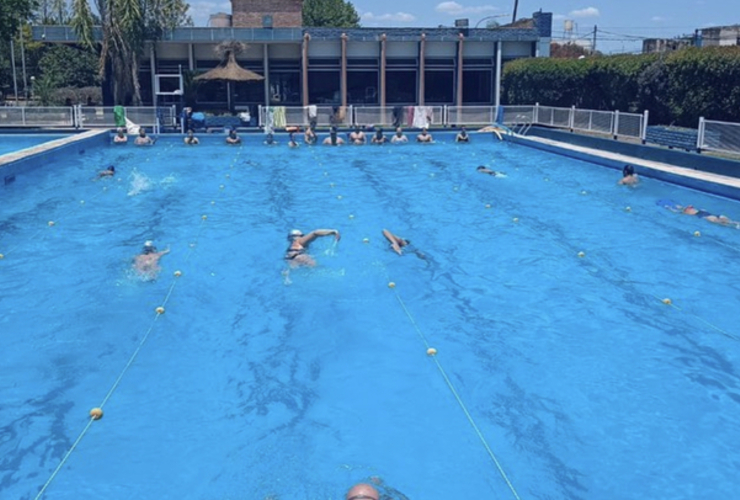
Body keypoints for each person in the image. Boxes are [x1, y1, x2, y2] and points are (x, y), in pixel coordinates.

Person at [658, 199, 740, 228]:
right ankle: (735, 224)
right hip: (708, 214)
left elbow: (677, 210)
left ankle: (735, 224)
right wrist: (669, 208)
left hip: (705, 215)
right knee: (728, 222)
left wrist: (668, 207)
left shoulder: (685, 211)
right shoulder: (685, 211)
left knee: (725, 222)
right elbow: (676, 210)